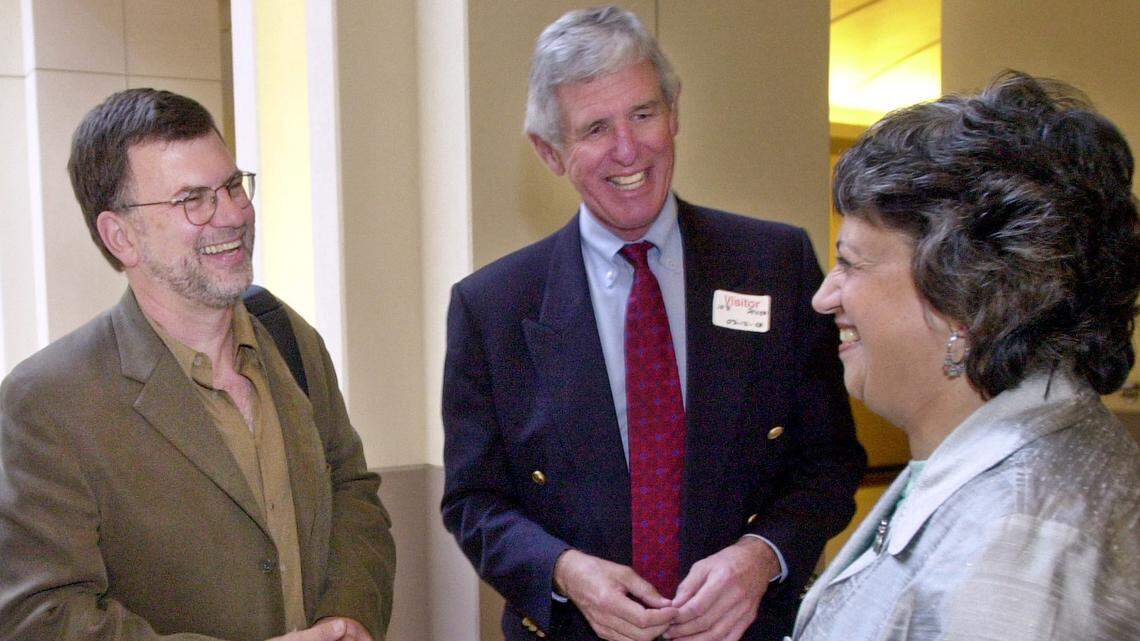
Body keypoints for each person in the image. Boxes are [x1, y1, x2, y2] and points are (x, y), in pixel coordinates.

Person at [441, 6, 865, 641]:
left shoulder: (774, 266)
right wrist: (563, 570)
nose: (627, 149)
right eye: (594, 128)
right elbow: (473, 503)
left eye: (643, 113)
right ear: (550, 152)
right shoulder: (494, 307)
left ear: (675, 113)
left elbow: (829, 461)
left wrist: (762, 556)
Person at [0, 89, 396, 641]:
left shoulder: (291, 339)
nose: (233, 215)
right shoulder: (46, 401)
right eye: (193, 199)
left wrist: (348, 616)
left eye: (232, 186)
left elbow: (352, 493)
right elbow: (43, 618)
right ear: (121, 237)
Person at [793, 72, 1140, 641]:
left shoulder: (1017, 561)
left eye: (851, 262)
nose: (824, 296)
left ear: (964, 299)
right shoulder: (982, 457)